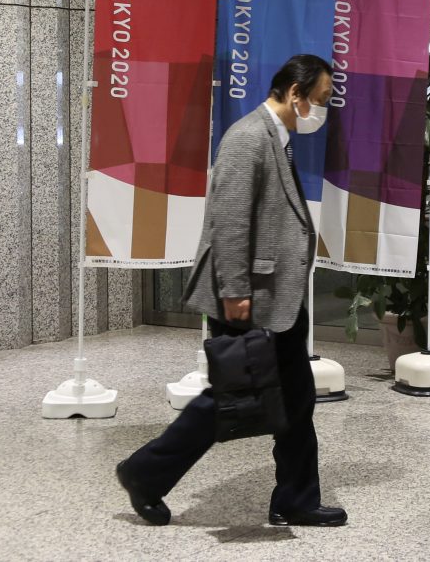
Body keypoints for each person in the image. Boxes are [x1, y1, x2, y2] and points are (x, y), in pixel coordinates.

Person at [116, 54, 347, 528]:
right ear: (294, 93)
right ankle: (144, 472)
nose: (320, 112)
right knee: (231, 399)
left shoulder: (276, 139)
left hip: (276, 297)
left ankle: (295, 499)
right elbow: (229, 220)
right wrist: (236, 291)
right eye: (320, 101)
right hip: (251, 299)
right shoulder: (248, 138)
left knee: (296, 399)